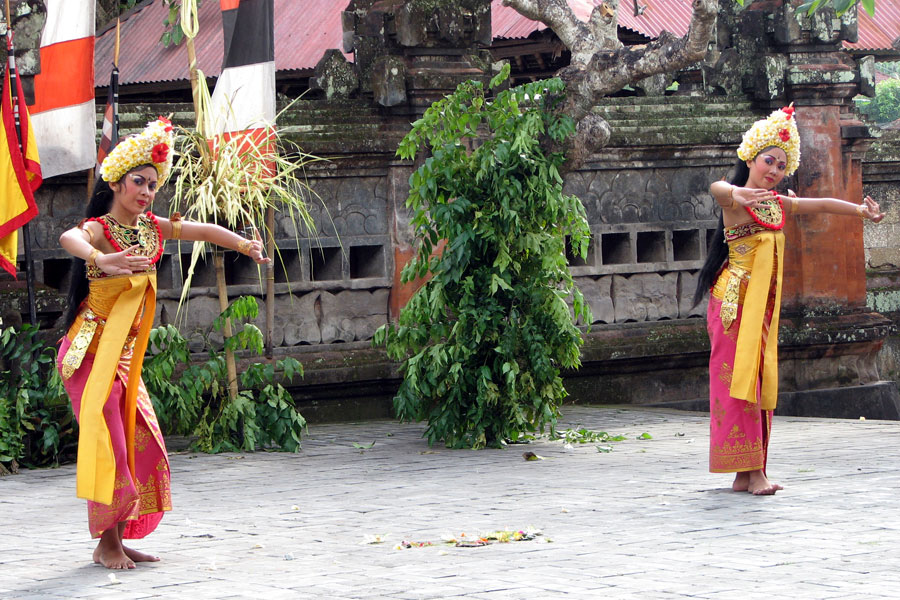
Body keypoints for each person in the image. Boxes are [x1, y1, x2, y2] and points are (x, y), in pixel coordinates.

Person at [56, 117, 269, 569]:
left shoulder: (152, 228)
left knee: (142, 444)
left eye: (153, 185)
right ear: (116, 182)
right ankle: (106, 544)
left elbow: (204, 231)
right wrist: (101, 258)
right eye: (139, 182)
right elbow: (67, 237)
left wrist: (244, 245)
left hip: (125, 359)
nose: (147, 192)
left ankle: (115, 538)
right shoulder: (99, 228)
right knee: (110, 444)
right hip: (89, 356)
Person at [693, 105, 884, 496]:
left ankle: (747, 473)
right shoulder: (736, 200)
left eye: (781, 165)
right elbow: (716, 188)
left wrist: (862, 212)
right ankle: (751, 472)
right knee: (738, 383)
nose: (775, 171)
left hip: (760, 308)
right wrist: (736, 191)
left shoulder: (777, 204)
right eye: (769, 161)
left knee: (760, 382)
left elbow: (825, 204)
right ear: (751, 156)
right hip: (734, 306)